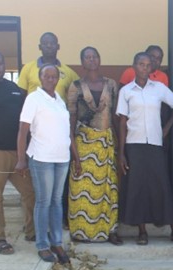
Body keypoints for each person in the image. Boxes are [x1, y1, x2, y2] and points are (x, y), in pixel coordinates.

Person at [116, 52, 173, 245]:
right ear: (134, 66)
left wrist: (167, 127)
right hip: (133, 144)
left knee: (162, 185)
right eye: (141, 64)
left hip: (155, 143)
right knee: (137, 188)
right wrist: (121, 153)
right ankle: (142, 231)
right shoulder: (126, 91)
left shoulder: (159, 88)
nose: (144, 68)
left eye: (147, 65)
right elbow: (122, 122)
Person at [15, 64, 72, 264]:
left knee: (57, 202)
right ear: (40, 78)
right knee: (43, 201)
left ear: (58, 78)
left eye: (54, 76)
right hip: (41, 159)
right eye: (46, 76)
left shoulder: (59, 101)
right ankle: (42, 244)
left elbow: (65, 129)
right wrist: (21, 160)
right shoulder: (34, 99)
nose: (50, 79)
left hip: (61, 158)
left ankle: (57, 242)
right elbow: (23, 131)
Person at [0, 50, 35, 254]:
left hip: (17, 152)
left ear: (4, 65)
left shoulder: (13, 88)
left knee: (30, 193)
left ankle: (32, 231)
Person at [66, 47, 121, 244]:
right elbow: (71, 120)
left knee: (108, 188)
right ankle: (82, 232)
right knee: (83, 189)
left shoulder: (111, 84)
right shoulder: (76, 86)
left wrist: (120, 147)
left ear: (99, 59)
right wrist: (73, 151)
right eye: (87, 57)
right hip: (83, 144)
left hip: (106, 144)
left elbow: (115, 117)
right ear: (82, 62)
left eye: (94, 56)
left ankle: (110, 230)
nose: (92, 60)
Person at [18, 32, 79, 102]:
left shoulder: (69, 72)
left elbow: (79, 93)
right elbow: (21, 96)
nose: (49, 46)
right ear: (40, 47)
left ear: (58, 46)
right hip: (36, 111)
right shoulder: (27, 68)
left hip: (59, 111)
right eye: (45, 43)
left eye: (52, 43)